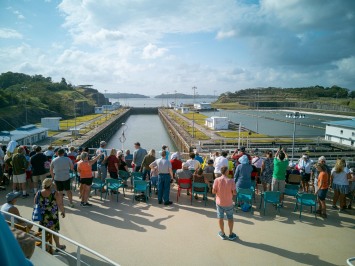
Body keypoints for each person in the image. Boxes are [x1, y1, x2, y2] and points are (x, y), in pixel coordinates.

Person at [35, 178, 66, 251]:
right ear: (51, 185)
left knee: (44, 231)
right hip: (53, 216)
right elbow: (60, 204)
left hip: (43, 216)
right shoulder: (54, 193)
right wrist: (63, 212)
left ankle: (46, 247)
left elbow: (35, 202)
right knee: (54, 230)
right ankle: (58, 246)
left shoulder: (39, 193)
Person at [212, 166, 237, 241]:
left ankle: (222, 233)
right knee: (230, 218)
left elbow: (213, 191)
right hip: (228, 202)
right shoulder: (231, 181)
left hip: (219, 202)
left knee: (220, 217)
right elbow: (234, 193)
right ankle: (231, 234)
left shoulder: (217, 180)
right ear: (226, 172)